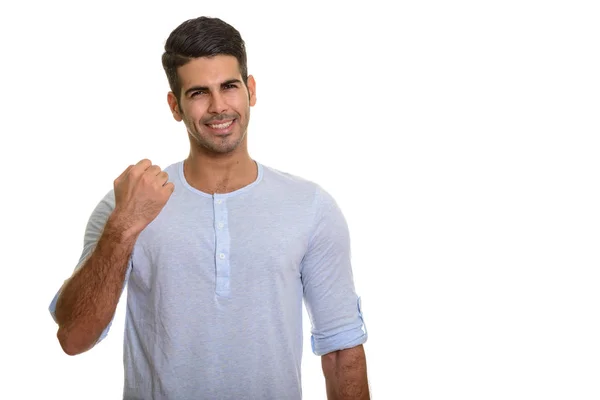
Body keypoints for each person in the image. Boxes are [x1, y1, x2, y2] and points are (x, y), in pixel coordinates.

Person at [48, 16, 369, 400]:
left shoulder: (310, 206)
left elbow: (341, 351)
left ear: (250, 90)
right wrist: (124, 225)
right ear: (175, 105)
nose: (219, 107)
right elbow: (74, 337)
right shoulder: (129, 201)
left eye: (229, 87)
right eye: (199, 92)